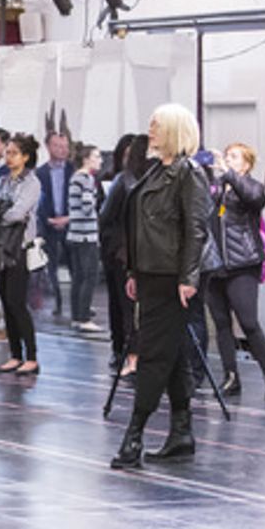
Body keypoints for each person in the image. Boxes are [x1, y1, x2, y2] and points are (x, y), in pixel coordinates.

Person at [111, 104, 211, 469]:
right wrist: (135, 271)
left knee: (153, 354)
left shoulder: (188, 174)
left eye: (156, 125)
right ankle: (181, 432)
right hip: (152, 274)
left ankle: (133, 435)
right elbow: (142, 228)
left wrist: (188, 278)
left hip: (172, 277)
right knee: (174, 353)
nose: (150, 131)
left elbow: (196, 229)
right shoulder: (157, 171)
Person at [202, 143, 265, 401]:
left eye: (234, 157)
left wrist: (230, 175)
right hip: (216, 265)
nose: (228, 160)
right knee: (222, 323)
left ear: (246, 165)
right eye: (227, 156)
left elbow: (255, 199)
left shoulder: (250, 186)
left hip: (242, 263)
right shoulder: (216, 188)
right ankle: (230, 376)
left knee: (248, 323)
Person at [0, 134, 43, 376]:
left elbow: (18, 213)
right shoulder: (3, 181)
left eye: (14, 153)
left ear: (26, 157)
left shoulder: (32, 183)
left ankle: (31, 356)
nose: (8, 157)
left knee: (17, 302)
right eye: (7, 153)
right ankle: (15, 354)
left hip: (20, 249)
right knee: (7, 304)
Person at [100, 134, 149, 374]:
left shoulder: (124, 181)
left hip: (123, 252)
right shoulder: (148, 180)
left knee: (125, 305)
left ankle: (130, 355)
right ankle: (131, 353)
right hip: (138, 251)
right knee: (131, 306)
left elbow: (105, 217)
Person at [67, 144, 104, 332]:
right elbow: (88, 207)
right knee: (89, 276)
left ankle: (77, 315)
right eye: (96, 156)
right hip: (86, 235)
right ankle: (83, 317)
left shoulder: (75, 178)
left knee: (79, 277)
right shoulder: (86, 179)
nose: (100, 160)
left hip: (75, 234)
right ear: (86, 159)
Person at [36, 132, 72, 317]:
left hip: (71, 224)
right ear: (49, 147)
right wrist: (47, 219)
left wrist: (68, 218)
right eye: (58, 146)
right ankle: (57, 303)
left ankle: (79, 306)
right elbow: (37, 201)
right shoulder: (40, 173)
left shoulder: (74, 171)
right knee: (52, 267)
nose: (62, 150)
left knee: (76, 266)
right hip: (49, 226)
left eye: (65, 146)